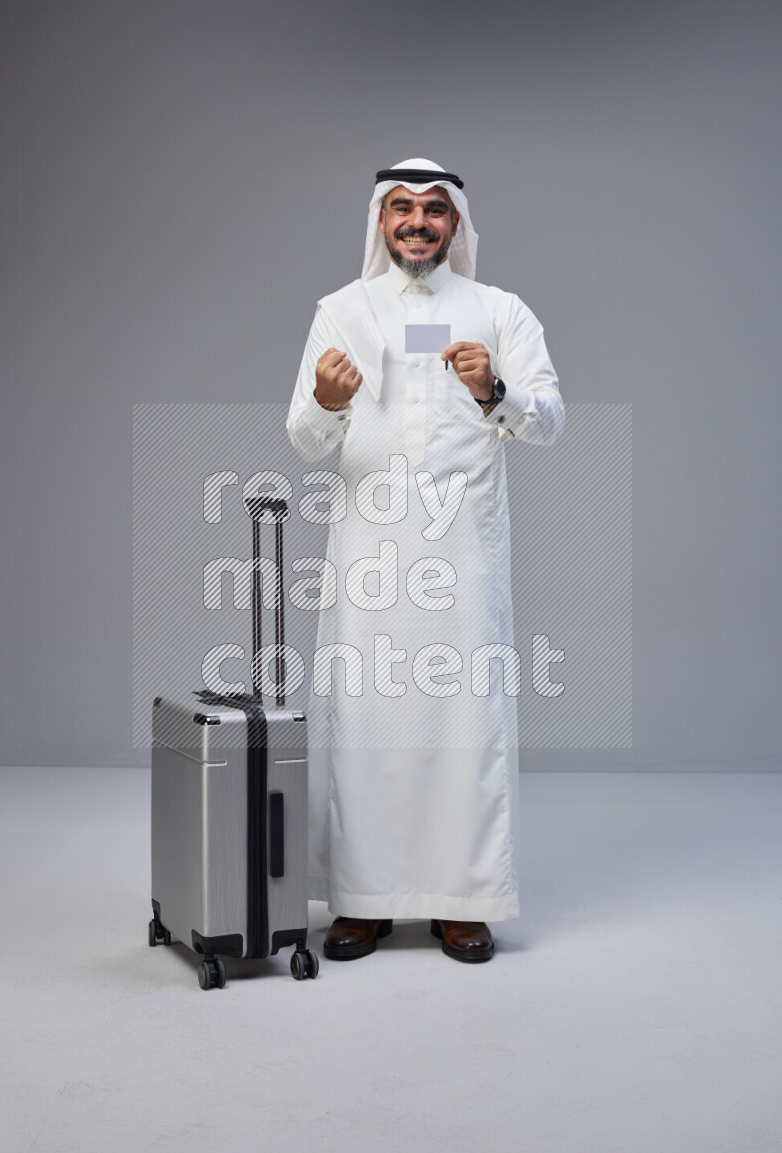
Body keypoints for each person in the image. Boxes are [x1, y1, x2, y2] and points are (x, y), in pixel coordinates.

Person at [286, 158, 564, 963]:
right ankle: (363, 901)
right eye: (401, 207)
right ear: (381, 220)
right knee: (364, 722)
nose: (417, 221)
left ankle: (461, 900)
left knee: (464, 722)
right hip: (369, 559)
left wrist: (495, 389)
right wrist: (327, 401)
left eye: (434, 209)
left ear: (456, 223)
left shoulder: (499, 311)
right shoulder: (341, 311)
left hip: (463, 555)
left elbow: (550, 420)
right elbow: (303, 439)